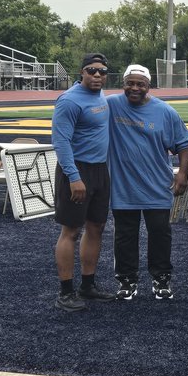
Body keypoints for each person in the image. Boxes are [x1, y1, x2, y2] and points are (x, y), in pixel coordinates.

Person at [107, 64, 188, 301]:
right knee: (125, 235)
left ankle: (161, 279)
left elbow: (185, 144)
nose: (134, 88)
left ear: (149, 86)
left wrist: (182, 174)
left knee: (160, 233)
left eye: (140, 84)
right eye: (130, 83)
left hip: (157, 185)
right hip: (123, 186)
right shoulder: (111, 105)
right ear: (123, 83)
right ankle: (127, 281)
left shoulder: (165, 112)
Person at [51, 53, 115, 312]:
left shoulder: (101, 97)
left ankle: (87, 285)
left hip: (100, 169)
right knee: (71, 231)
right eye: (92, 70)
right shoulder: (68, 101)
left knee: (97, 227)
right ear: (81, 72)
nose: (97, 75)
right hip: (76, 170)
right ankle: (65, 292)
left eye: (102, 71)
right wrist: (74, 177)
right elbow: (61, 141)